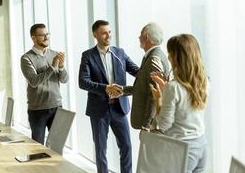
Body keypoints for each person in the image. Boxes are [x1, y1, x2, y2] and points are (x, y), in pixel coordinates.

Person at [78, 20, 139, 173]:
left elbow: (137, 72)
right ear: (95, 34)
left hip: (119, 108)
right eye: (104, 32)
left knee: (126, 146)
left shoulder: (120, 53)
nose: (108, 35)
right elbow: (83, 82)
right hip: (99, 110)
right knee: (100, 150)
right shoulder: (87, 56)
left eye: (109, 32)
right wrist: (106, 88)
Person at [150, 34, 209, 173]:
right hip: (201, 144)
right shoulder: (204, 81)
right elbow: (186, 106)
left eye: (170, 53)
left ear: (176, 57)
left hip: (182, 149)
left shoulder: (173, 87)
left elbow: (164, 125)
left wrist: (159, 99)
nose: (168, 57)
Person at [20, 23, 69, 145]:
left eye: (47, 34)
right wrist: (53, 66)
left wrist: (61, 67)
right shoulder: (26, 58)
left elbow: (64, 80)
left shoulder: (54, 54)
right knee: (38, 148)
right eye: (42, 35)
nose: (46, 37)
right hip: (37, 110)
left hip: (57, 106)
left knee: (57, 146)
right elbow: (34, 81)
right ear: (33, 38)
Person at [130, 22, 170, 130]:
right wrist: (123, 90)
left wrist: (146, 125)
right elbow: (144, 86)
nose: (139, 37)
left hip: (151, 126)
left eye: (140, 35)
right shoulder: (152, 56)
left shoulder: (154, 58)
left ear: (146, 37)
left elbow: (153, 94)